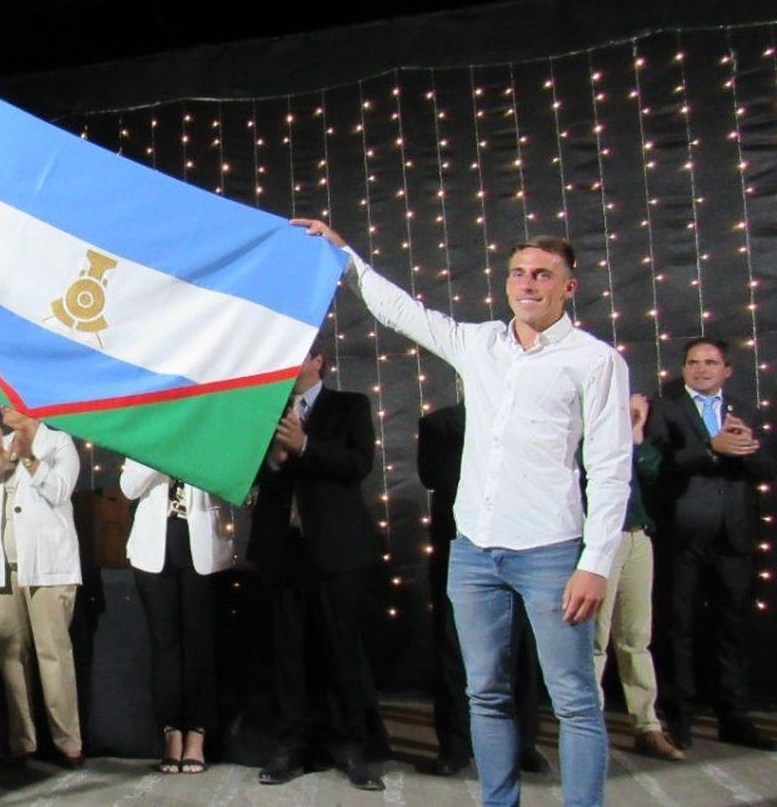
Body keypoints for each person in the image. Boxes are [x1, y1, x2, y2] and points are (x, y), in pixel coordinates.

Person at [294, 219, 630, 807]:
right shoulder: (481, 344)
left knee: (574, 698)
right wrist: (344, 258)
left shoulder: (594, 361)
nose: (527, 284)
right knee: (485, 694)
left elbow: (609, 469)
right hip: (473, 550)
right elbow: (402, 312)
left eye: (542, 275)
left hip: (551, 551)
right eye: (519, 273)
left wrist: (595, 562)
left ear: (568, 287)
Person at [249, 347, 384, 791]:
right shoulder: (266, 411)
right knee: (286, 655)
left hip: (336, 551)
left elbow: (357, 464)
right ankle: (290, 745)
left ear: (319, 361)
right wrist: (275, 458)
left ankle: (351, 748)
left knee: (342, 652)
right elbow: (252, 477)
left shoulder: (350, 405)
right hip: (282, 552)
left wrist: (304, 445)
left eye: (298, 356)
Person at [649, 338, 776, 751]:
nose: (700, 369)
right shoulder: (664, 409)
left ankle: (733, 715)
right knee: (677, 627)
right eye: (692, 362)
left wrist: (746, 448)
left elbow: (766, 467)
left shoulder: (744, 410)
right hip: (683, 534)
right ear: (682, 369)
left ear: (727, 369)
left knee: (731, 628)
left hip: (734, 535)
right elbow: (658, 467)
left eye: (710, 362)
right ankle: (678, 714)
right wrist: (710, 448)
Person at [417, 402, 546, 777]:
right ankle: (455, 745)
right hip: (460, 545)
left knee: (520, 645)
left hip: (521, 544)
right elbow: (435, 476)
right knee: (453, 646)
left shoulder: (530, 414)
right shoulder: (440, 423)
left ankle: (523, 743)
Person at [0, 405, 84, 767]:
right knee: (11, 654)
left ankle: (67, 740)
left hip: (47, 566)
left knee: (53, 653)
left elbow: (60, 490)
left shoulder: (59, 442)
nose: (0, 406)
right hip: (2, 567)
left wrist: (30, 459)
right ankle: (22, 740)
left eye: (7, 399)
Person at [120, 459, 235, 775]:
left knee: (200, 644)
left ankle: (198, 733)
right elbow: (128, 488)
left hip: (204, 543)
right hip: (153, 547)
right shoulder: (147, 427)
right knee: (164, 644)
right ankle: (171, 732)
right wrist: (160, 456)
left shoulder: (206, 422)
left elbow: (230, 480)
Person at [590, 393, 683, 760]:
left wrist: (636, 433)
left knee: (636, 638)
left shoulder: (629, 435)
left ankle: (647, 726)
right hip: (601, 542)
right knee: (594, 640)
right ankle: (589, 730)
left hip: (637, 536)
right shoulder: (583, 431)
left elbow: (650, 473)